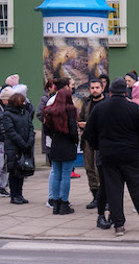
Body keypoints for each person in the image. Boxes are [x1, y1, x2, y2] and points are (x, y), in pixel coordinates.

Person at [84, 78, 139, 237]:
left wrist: (99, 146)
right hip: (131, 154)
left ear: (111, 92)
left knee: (114, 190)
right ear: (126, 92)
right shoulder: (134, 108)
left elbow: (89, 133)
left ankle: (119, 225)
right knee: (138, 188)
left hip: (108, 155)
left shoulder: (100, 108)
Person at [43, 87, 79, 215]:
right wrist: (75, 141)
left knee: (56, 173)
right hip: (68, 145)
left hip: (55, 145)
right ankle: (64, 203)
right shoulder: (70, 111)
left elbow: (46, 129)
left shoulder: (50, 111)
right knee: (65, 176)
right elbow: (74, 131)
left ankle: (55, 203)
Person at [1, 93, 35, 204]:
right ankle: (14, 195)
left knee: (22, 171)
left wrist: (30, 141)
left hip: (24, 146)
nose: (25, 104)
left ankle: (19, 194)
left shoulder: (25, 113)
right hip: (14, 147)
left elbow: (30, 127)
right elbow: (11, 132)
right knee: (14, 172)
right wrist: (23, 144)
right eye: (23, 102)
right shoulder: (8, 114)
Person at [78, 79, 106, 210]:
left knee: (101, 169)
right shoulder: (87, 103)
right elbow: (81, 119)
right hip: (88, 140)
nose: (94, 90)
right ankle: (95, 197)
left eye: (97, 87)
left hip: (103, 140)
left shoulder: (107, 103)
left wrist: (88, 124)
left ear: (102, 88)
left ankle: (105, 199)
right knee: (89, 168)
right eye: (92, 88)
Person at [37, 79, 57, 165]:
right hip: (49, 131)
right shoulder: (45, 99)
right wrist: (48, 122)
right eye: (54, 86)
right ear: (49, 88)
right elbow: (39, 114)